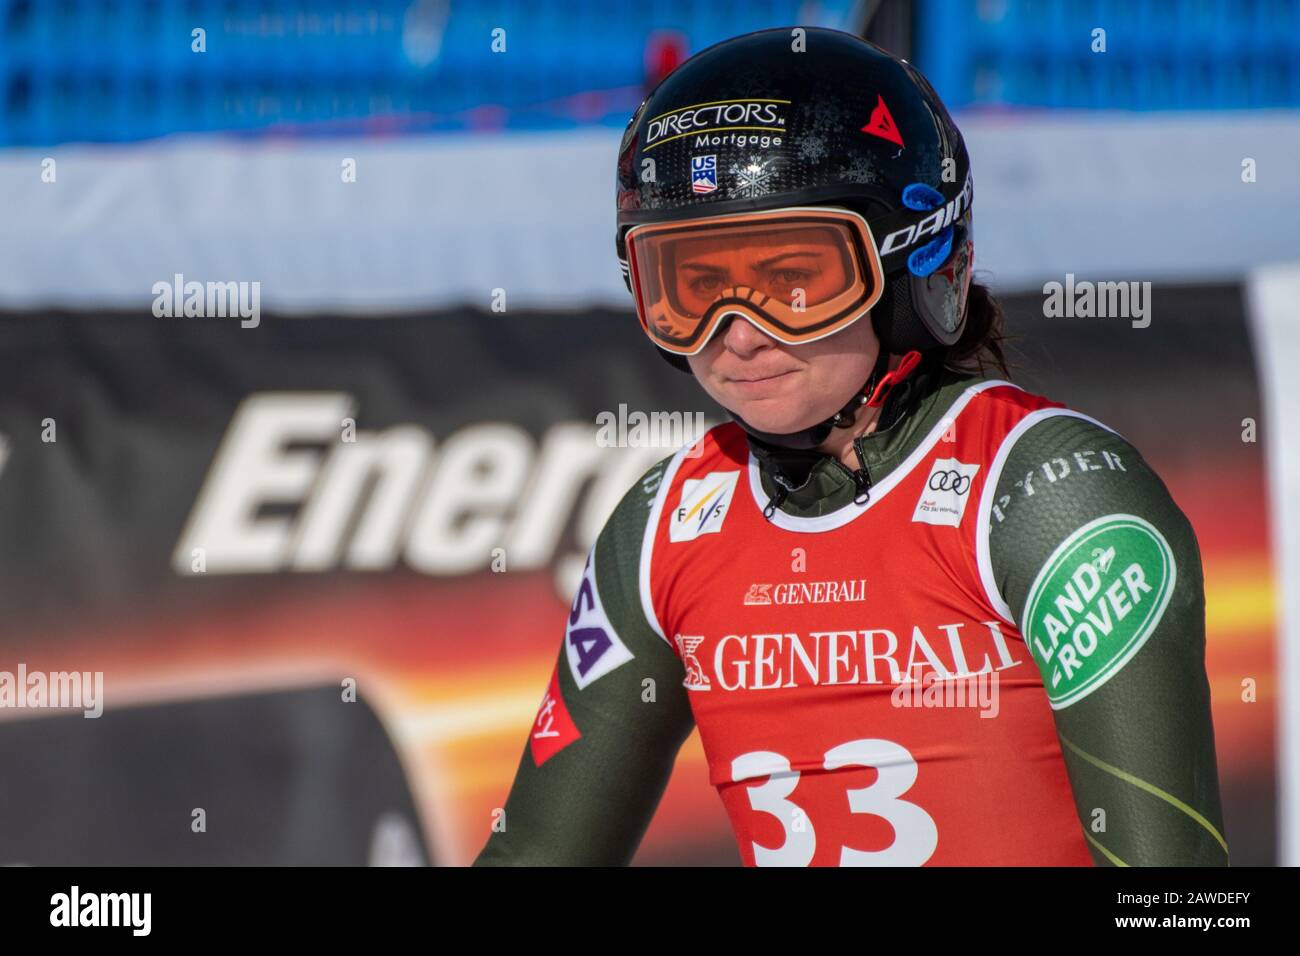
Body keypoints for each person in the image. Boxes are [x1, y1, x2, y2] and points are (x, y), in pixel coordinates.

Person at [474, 27, 1227, 866]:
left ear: (915, 262)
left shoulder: (1048, 493)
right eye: (690, 287)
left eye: (794, 281)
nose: (738, 337)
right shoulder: (667, 524)